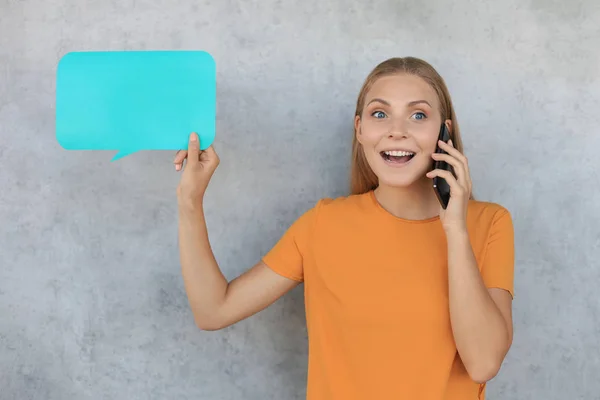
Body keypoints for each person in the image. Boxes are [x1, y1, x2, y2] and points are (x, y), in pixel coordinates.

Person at [173, 56, 515, 400]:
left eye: (419, 115)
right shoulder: (323, 224)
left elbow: (483, 363)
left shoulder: (488, 223)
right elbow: (213, 310)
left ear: (445, 133)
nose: (397, 130)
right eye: (380, 114)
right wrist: (190, 201)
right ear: (360, 130)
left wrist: (455, 229)